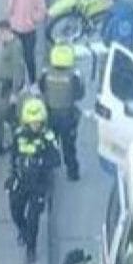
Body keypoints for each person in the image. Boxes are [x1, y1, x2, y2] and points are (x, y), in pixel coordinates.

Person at [6, 96, 61, 264]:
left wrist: (41, 161)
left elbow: (56, 159)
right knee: (15, 210)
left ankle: (31, 249)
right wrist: (13, 174)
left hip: (39, 184)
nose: (36, 125)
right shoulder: (19, 135)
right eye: (32, 122)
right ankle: (23, 231)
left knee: (33, 218)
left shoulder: (48, 137)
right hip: (21, 181)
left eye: (38, 122)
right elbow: (13, 155)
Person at [39, 43, 85, 181]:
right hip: (67, 116)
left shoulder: (46, 73)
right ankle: (73, 173)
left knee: (48, 144)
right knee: (69, 147)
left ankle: (46, 171)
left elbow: (41, 88)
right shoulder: (73, 75)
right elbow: (79, 95)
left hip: (50, 114)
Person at [0, 20, 26, 160]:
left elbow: (18, 70)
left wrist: (14, 92)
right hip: (6, 86)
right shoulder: (8, 44)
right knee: (10, 117)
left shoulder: (15, 47)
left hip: (9, 88)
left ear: (6, 31)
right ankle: (17, 143)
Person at [6, 0, 46, 84]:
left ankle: (33, 82)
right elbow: (9, 10)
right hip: (16, 30)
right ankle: (20, 82)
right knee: (17, 59)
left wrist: (34, 19)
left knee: (29, 57)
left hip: (29, 31)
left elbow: (42, 8)